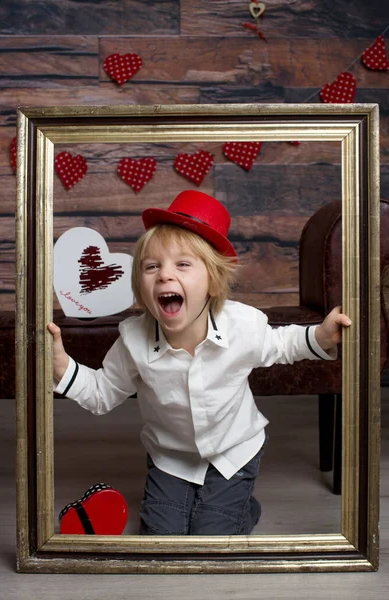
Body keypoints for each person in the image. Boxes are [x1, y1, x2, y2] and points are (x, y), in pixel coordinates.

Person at [48, 190, 351, 536]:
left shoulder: (242, 326)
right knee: (162, 539)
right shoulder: (134, 340)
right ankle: (203, 503)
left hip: (233, 453)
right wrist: (62, 368)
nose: (164, 275)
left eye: (182, 264)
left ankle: (240, 507)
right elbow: (102, 392)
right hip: (171, 459)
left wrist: (322, 336)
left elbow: (283, 344)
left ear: (213, 281)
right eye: (152, 266)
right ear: (141, 285)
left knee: (211, 535)